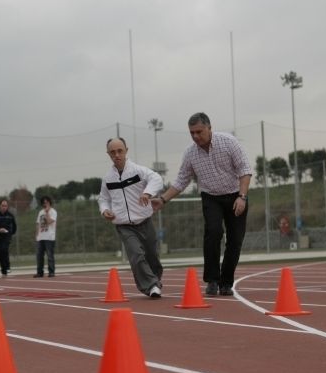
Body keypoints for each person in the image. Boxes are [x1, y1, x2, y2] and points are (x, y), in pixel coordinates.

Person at [152, 113, 252, 297]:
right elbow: (181, 181)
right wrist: (163, 199)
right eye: (192, 133)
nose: (196, 136)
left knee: (235, 239)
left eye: (199, 131)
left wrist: (242, 197)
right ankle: (212, 280)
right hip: (211, 197)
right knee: (213, 232)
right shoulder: (190, 154)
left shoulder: (229, 142)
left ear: (209, 128)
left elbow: (245, 170)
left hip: (235, 195)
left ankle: (226, 282)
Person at [98, 137, 164, 298]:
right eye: (112, 152)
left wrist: (147, 193)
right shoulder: (107, 178)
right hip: (124, 226)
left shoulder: (138, 171)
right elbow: (103, 198)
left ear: (126, 150)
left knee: (152, 256)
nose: (116, 155)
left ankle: (155, 280)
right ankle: (151, 285)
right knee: (136, 255)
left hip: (145, 221)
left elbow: (157, 179)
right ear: (108, 154)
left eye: (120, 151)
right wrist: (105, 210)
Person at [34, 196, 57, 277]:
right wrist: (37, 235)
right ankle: (40, 272)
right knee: (39, 256)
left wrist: (47, 213)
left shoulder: (53, 212)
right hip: (41, 237)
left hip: (49, 237)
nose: (45, 204)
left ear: (49, 203)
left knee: (50, 255)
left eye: (46, 202)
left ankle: (51, 272)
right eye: (43, 203)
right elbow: (38, 224)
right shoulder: (40, 212)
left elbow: (49, 222)